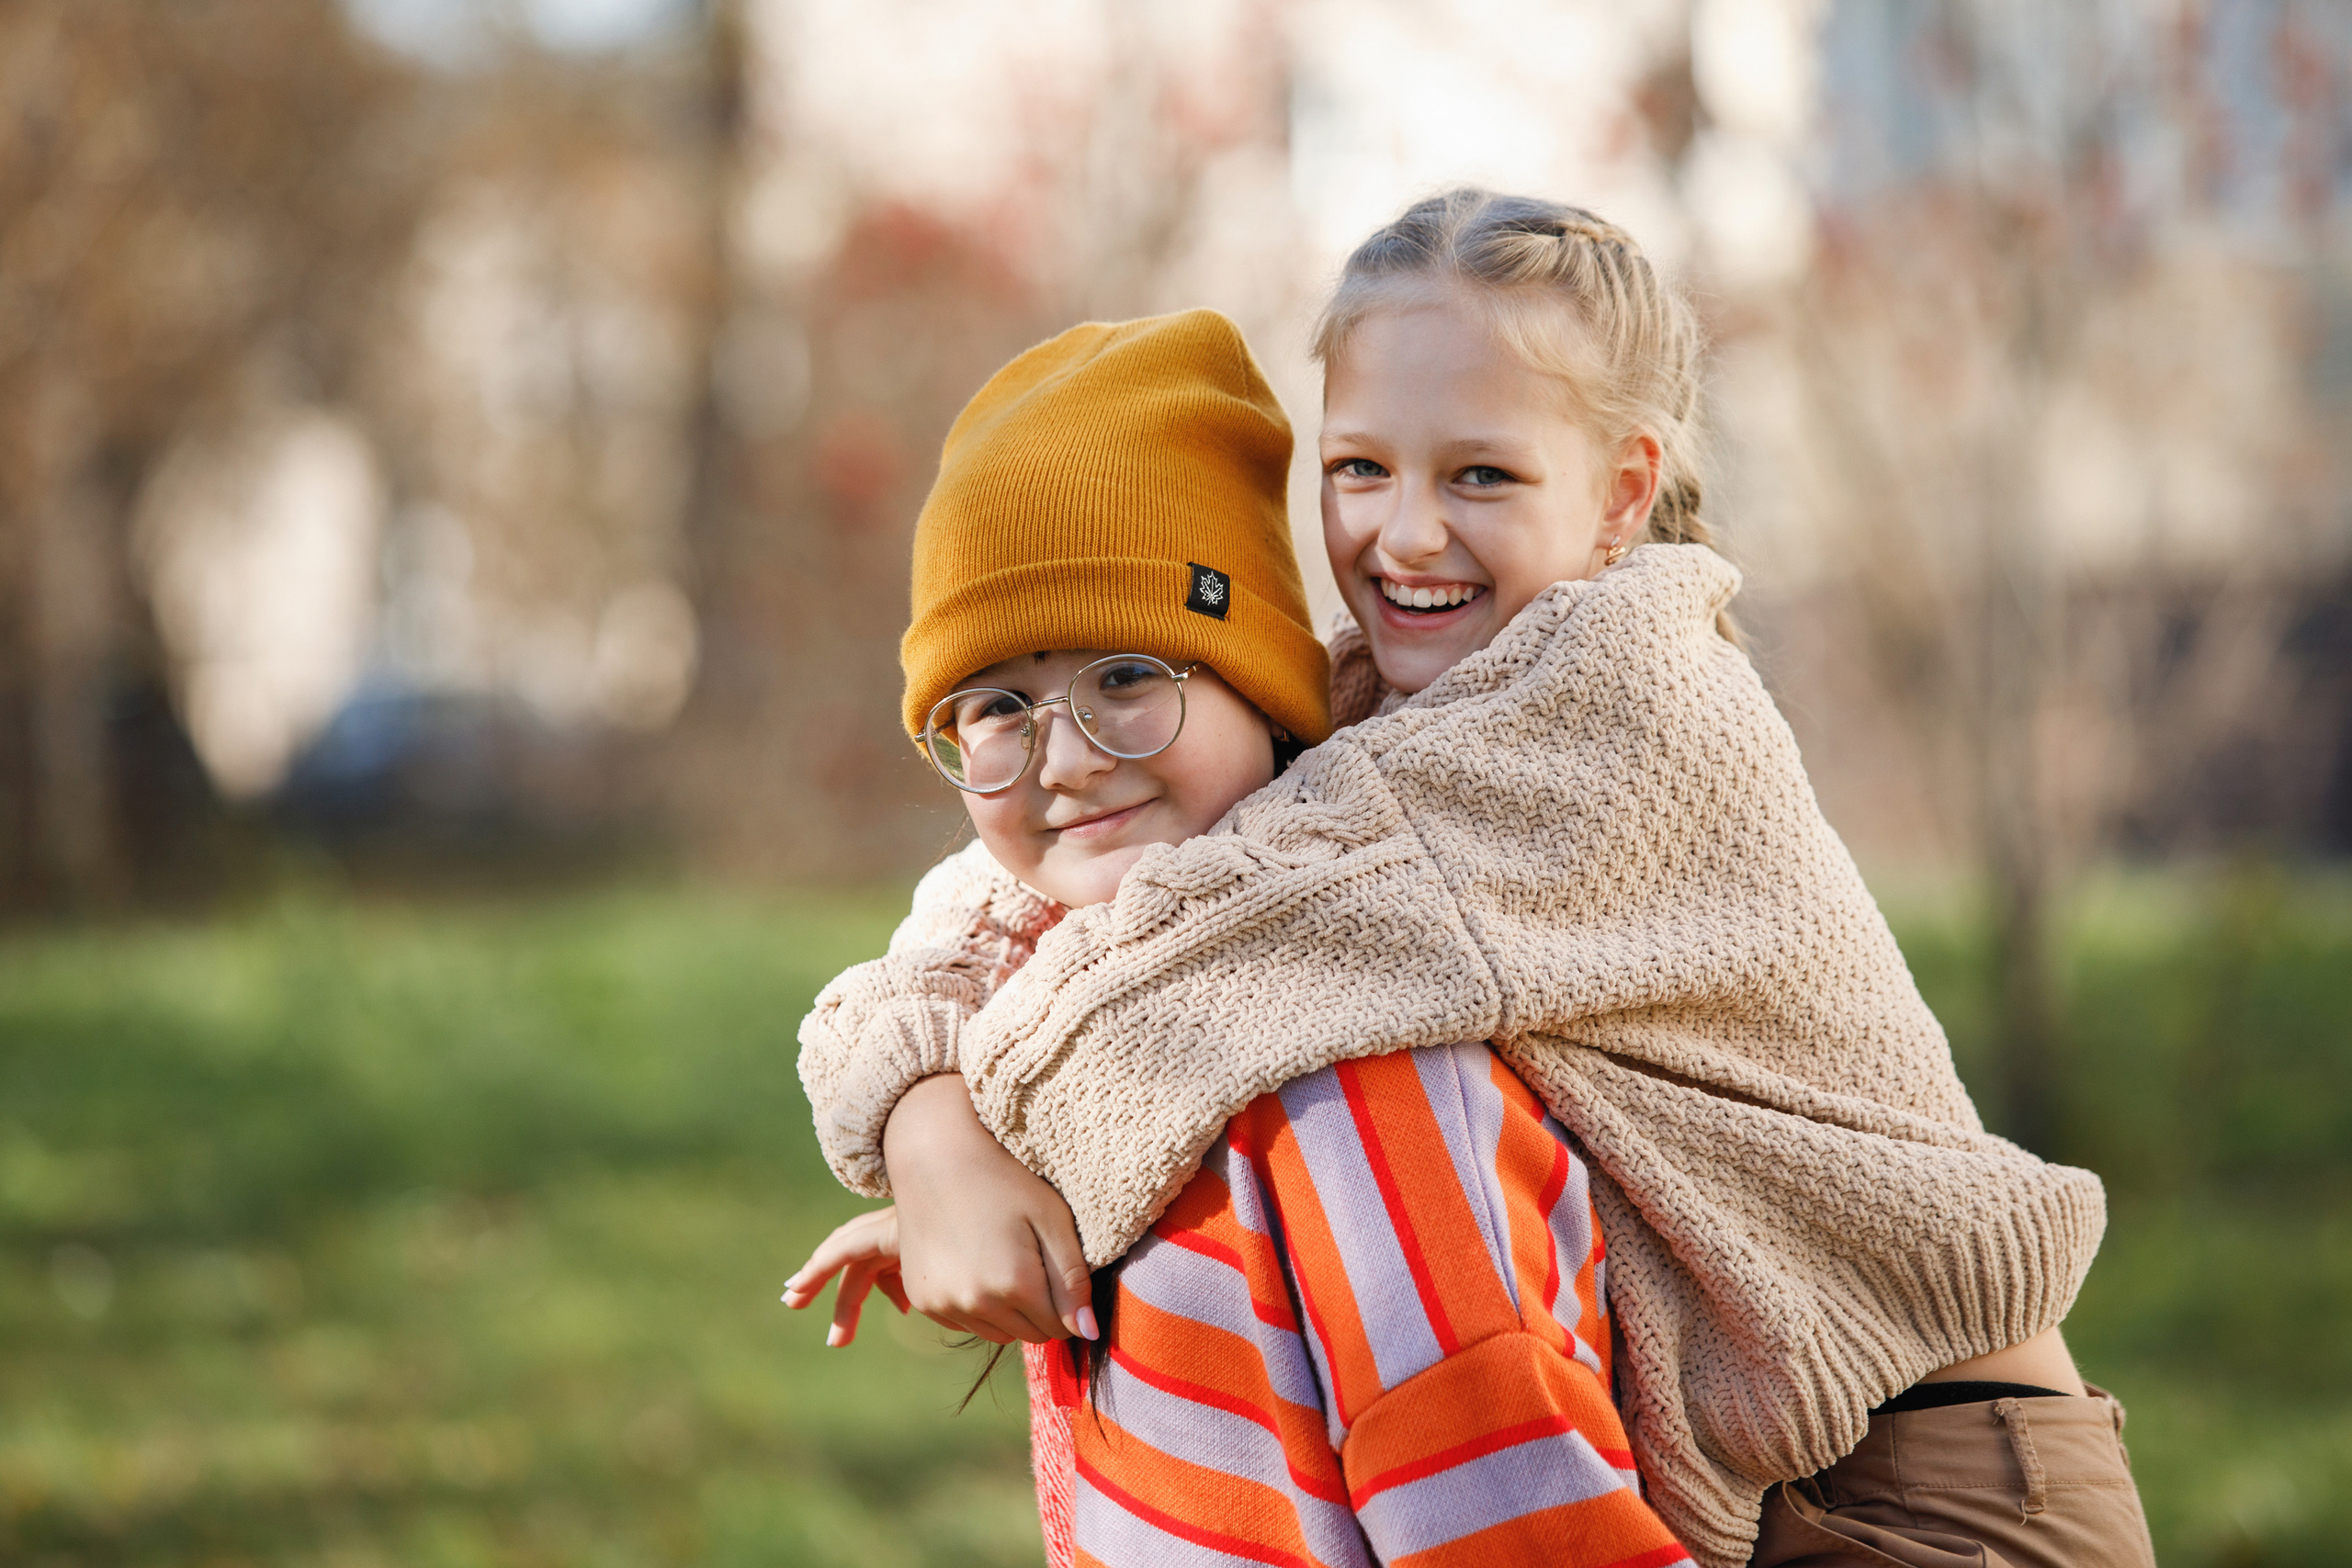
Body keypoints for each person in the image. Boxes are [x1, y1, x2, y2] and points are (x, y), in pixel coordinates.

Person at [796, 191, 2156, 1568]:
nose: (1405, 536)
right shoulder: (1397, 722)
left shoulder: (1610, 716)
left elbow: (1161, 990)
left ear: (1622, 491)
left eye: (1482, 477)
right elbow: (997, 915)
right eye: (1361, 468)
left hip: (1944, 1493)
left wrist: (971, 1159)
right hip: (1822, 1467)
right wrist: (925, 1122)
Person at [789, 304, 1694, 1568]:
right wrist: (938, 1153)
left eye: (1127, 677)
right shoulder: (1083, 1018)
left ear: (1261, 684)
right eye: (997, 705)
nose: (1065, 760)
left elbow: (1514, 1510)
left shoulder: (1352, 1079)